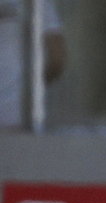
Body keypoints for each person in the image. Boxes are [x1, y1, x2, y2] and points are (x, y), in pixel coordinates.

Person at [0, 0, 67, 130]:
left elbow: (57, 60)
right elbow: (57, 60)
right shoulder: (39, 4)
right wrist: (31, 89)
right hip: (20, 115)